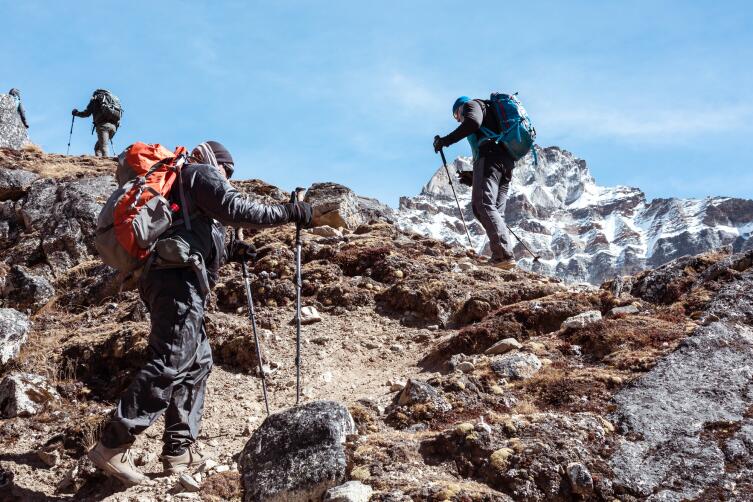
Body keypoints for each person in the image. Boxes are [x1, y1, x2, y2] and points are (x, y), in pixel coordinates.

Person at [87, 141, 313, 486]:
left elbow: (190, 230)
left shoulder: (183, 184)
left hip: (169, 279)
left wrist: (233, 250)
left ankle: (179, 450)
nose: (227, 176)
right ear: (215, 162)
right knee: (172, 359)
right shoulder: (199, 172)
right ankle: (113, 444)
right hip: (177, 282)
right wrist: (290, 212)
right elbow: (236, 207)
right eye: (227, 169)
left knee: (197, 360)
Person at [434, 96, 516, 270]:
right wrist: (474, 175)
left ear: (458, 109)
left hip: (490, 157)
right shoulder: (489, 112)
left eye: (456, 116)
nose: (458, 119)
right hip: (505, 163)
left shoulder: (471, 105)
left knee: (482, 205)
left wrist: (445, 141)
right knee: (494, 210)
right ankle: (502, 256)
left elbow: (472, 123)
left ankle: (503, 255)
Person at [72, 89, 121, 157]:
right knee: (98, 147)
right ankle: (101, 162)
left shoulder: (96, 99)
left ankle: (106, 163)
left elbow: (86, 113)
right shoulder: (112, 99)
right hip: (114, 127)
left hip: (103, 126)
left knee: (103, 146)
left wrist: (76, 113)